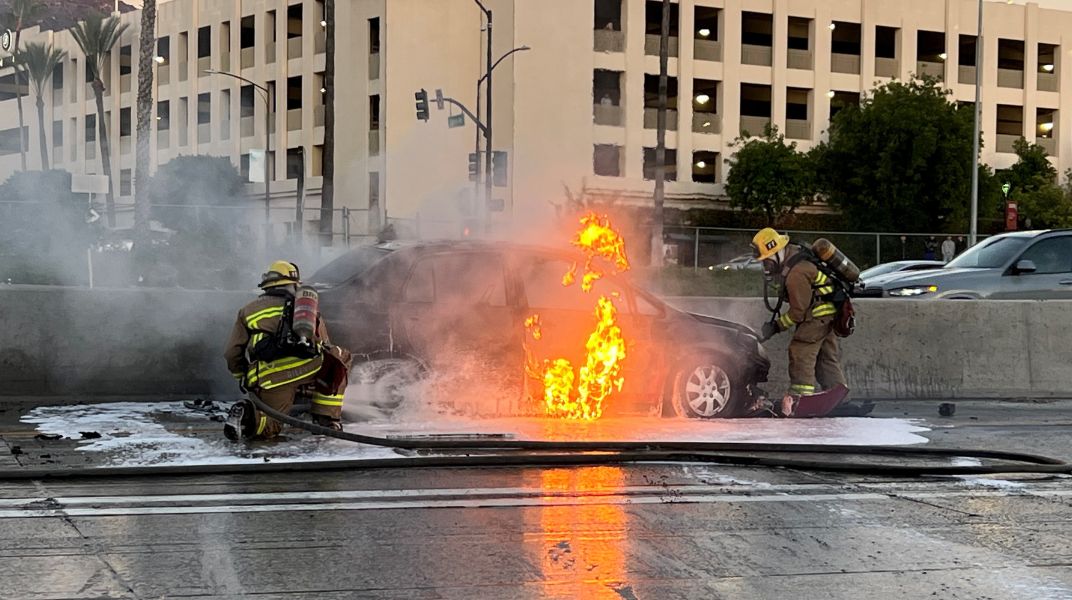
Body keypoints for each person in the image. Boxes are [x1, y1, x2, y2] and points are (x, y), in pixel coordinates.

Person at [223, 260, 349, 441]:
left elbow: (231, 352)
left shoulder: (248, 311)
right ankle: (326, 418)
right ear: (294, 284)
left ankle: (246, 414)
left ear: (267, 285)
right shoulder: (305, 310)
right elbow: (323, 344)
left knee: (271, 427)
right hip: (307, 367)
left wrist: (242, 376)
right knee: (340, 357)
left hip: (270, 376)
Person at [753, 228, 864, 417]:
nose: (766, 266)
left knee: (800, 351)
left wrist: (776, 326)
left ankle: (800, 398)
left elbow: (798, 312)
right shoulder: (797, 256)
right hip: (829, 314)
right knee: (826, 358)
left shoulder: (796, 273)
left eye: (767, 260)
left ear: (777, 252)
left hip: (816, 316)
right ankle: (840, 400)